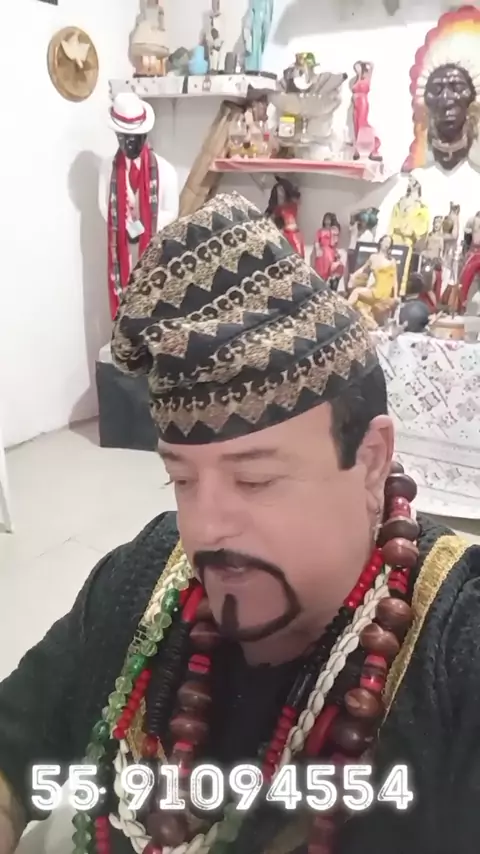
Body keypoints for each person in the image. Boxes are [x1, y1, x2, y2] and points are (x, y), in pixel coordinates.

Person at [0, 192, 480, 854]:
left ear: (371, 461)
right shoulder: (148, 576)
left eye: (255, 480)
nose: (205, 529)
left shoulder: (455, 646)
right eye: (181, 479)